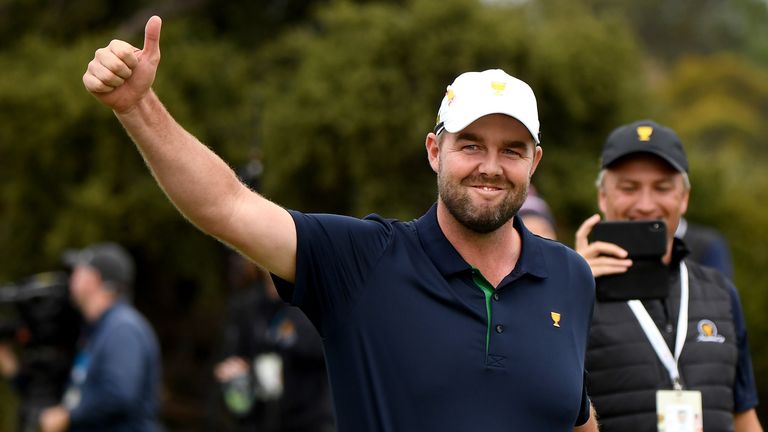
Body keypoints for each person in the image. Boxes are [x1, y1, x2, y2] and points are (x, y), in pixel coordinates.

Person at [82, 16, 597, 431]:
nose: (490, 166)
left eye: (512, 150)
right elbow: (227, 206)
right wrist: (138, 107)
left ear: (534, 163)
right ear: (435, 151)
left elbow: (574, 414)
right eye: (470, 145)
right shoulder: (361, 260)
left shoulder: (570, 277)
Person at [574, 119, 762, 431]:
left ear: (684, 198)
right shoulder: (568, 290)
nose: (646, 204)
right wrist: (570, 285)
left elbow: (743, 414)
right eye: (628, 188)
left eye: (662, 188)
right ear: (603, 198)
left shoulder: (720, 292)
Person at [36, 242, 162, 432]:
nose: (72, 277)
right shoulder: (100, 328)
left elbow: (118, 394)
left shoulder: (123, 329)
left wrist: (68, 416)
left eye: (78, 271)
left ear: (94, 278)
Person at [212, 254, 334, 431]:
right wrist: (235, 373)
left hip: (309, 420)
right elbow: (231, 361)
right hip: (258, 420)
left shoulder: (313, 305)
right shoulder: (246, 308)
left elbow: (323, 354)